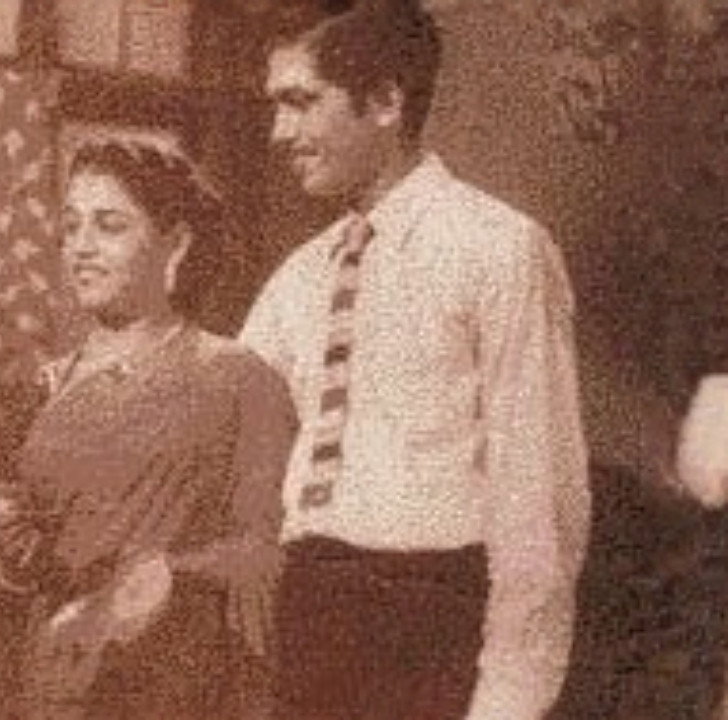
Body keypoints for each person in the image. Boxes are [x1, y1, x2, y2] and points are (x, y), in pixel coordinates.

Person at [237, 2, 591, 719]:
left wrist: (509, 699)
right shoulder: (299, 277)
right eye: (276, 106)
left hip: (429, 629)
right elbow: (225, 436)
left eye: (301, 103)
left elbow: (538, 494)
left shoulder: (498, 250)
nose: (279, 133)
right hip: (307, 620)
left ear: (385, 101)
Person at [0, 138, 298, 720]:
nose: (81, 246)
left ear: (175, 244)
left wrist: (167, 576)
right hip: (56, 677)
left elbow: (269, 552)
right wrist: (12, 549)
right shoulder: (47, 382)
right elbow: (25, 549)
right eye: (71, 226)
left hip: (170, 683)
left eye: (109, 225)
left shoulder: (237, 379)